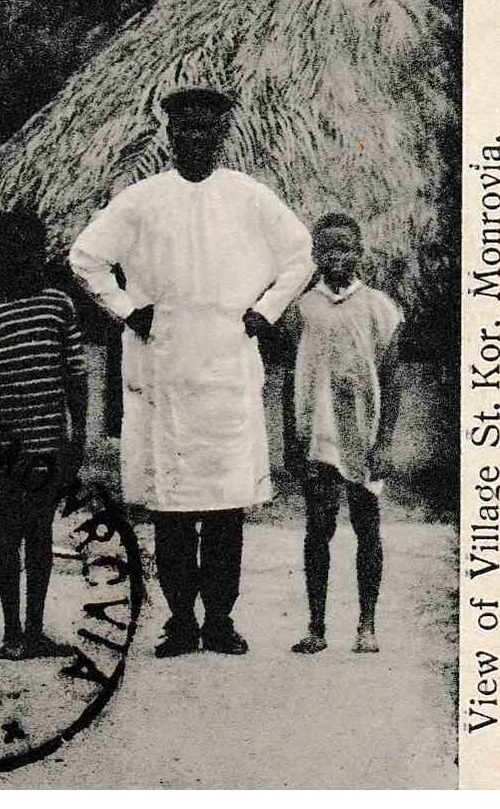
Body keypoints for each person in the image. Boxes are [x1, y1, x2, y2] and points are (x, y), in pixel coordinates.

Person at [68, 87, 313, 658]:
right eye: (185, 129)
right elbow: (85, 257)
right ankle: (180, 622)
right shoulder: (142, 199)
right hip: (165, 366)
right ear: (170, 135)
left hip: (227, 363)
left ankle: (221, 622)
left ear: (221, 135)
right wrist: (129, 310)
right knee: (173, 507)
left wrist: (265, 310)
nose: (195, 138)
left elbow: (300, 255)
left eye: (206, 129)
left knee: (226, 505)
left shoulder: (249, 197)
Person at [0, 211, 87, 660]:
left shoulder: (58, 306)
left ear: (41, 255)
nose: (20, 263)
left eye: (28, 253)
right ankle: (12, 632)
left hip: (48, 441)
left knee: (40, 534)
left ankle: (33, 631)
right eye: (10, 254)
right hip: (2, 446)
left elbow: (76, 376)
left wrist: (79, 437)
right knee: (7, 534)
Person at [280, 213, 403, 654]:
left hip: (363, 438)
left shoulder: (378, 307)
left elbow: (391, 380)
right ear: (316, 255)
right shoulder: (301, 308)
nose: (338, 256)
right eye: (329, 248)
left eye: (346, 248)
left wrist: (385, 442)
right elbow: (290, 379)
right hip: (318, 437)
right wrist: (290, 439)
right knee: (318, 529)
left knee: (367, 529)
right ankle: (316, 627)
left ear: (360, 252)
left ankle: (366, 626)